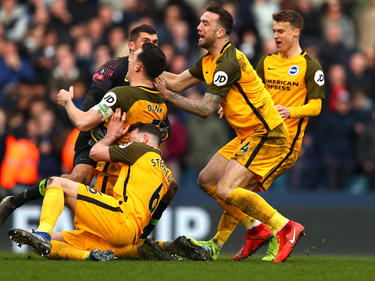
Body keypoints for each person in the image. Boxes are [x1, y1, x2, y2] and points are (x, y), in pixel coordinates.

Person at [155, 2, 304, 263]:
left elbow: (205, 108)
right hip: (247, 135)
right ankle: (254, 229)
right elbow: (178, 81)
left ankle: (284, 227)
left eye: (205, 23)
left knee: (226, 188)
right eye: (199, 22)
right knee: (207, 180)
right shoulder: (208, 61)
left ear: (221, 32)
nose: (198, 27)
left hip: (267, 132)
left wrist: (168, 97)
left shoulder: (229, 61)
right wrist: (143, 68)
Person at [0, 25, 175, 239]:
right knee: (80, 178)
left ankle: (141, 234)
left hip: (125, 141)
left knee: (170, 185)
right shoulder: (114, 70)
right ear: (131, 46)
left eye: (155, 43)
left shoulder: (158, 82)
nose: (151, 46)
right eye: (146, 42)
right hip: (98, 131)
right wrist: (74, 106)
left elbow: (167, 118)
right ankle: (19, 202)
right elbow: (87, 116)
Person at [190, 10, 325, 262]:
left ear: (296, 32)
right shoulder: (267, 61)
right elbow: (252, 90)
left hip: (282, 143)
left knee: (232, 188)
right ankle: (255, 233)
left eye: (281, 31)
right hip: (255, 133)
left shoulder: (311, 66)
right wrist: (225, 101)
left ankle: (272, 235)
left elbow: (317, 106)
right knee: (216, 183)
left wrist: (291, 111)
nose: (276, 36)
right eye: (274, 31)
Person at [8, 121, 171, 261]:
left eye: (131, 138)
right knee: (43, 247)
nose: (128, 141)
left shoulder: (139, 149)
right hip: (130, 233)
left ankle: (42, 232)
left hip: (120, 217)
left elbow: (95, 152)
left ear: (145, 139)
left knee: (56, 182)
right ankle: (88, 256)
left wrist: (110, 135)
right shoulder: (166, 173)